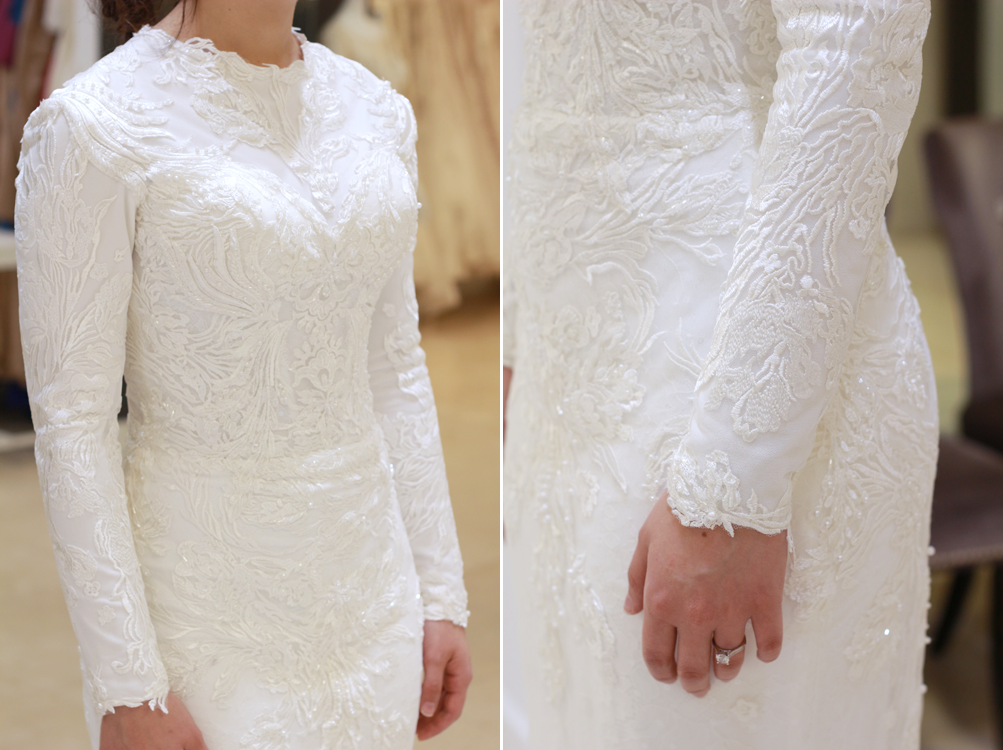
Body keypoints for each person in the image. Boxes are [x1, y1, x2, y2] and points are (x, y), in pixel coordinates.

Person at [14, 1, 472, 748]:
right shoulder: (94, 126)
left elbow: (392, 366)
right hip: (206, 625)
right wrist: (128, 684)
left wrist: (441, 594)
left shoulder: (376, 109)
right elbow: (73, 423)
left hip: (371, 598)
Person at [503, 0, 937, 747]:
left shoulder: (729, 469)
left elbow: (851, 52)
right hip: (564, 377)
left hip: (733, 374)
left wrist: (732, 483)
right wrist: (517, 345)